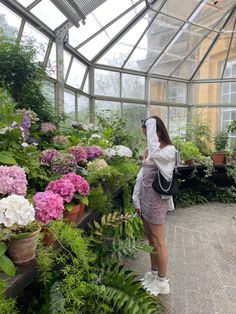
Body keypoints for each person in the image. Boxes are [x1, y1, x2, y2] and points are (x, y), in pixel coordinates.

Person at [132, 116, 177, 296]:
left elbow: (155, 153)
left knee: (158, 241)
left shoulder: (169, 151)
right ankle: (153, 273)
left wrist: (150, 121)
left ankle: (162, 282)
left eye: (148, 132)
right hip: (145, 200)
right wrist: (136, 199)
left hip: (157, 201)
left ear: (156, 131)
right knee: (150, 239)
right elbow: (141, 176)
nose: (147, 138)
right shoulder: (148, 149)